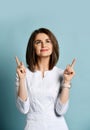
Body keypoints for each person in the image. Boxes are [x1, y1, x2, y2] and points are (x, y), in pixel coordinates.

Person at [15, 28, 76, 130]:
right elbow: (23, 109)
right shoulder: (23, 73)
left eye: (48, 41)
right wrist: (22, 79)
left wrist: (66, 82)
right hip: (33, 126)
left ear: (53, 46)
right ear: (32, 47)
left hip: (58, 126)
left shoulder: (62, 74)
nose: (44, 45)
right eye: (38, 42)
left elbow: (61, 110)